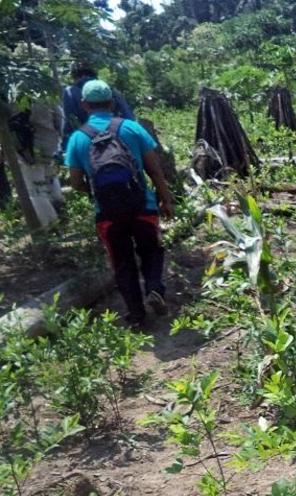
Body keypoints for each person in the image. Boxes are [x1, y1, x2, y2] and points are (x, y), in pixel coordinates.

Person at [65, 80, 174, 327]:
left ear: (84, 105)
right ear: (112, 102)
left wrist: (95, 191)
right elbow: (155, 170)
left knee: (122, 263)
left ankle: (136, 315)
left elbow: (75, 182)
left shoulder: (78, 138)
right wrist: (165, 199)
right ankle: (155, 288)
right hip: (142, 206)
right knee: (152, 250)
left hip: (108, 214)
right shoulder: (132, 128)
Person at [0, 101, 64, 229]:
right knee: (50, 180)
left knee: (36, 191)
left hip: (25, 152)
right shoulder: (43, 92)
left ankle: (51, 226)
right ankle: (60, 213)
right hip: (49, 146)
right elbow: (59, 117)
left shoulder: (6, 96)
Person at [62, 62, 135, 143]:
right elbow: (127, 115)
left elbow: (70, 121)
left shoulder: (70, 92)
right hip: (118, 139)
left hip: (87, 141)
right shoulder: (108, 90)